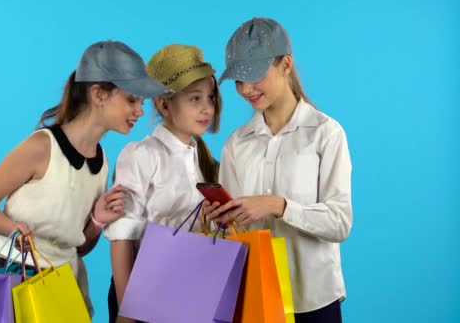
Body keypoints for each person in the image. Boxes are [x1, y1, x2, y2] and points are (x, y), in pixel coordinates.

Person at [0, 40, 169, 317]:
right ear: (98, 94)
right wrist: (12, 227)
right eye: (132, 100)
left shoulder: (100, 162)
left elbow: (79, 247)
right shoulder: (42, 146)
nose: (139, 111)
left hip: (62, 283)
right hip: (16, 278)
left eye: (142, 103)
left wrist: (97, 221)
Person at [206, 17, 352, 323]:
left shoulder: (326, 134)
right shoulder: (237, 143)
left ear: (286, 64)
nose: (246, 89)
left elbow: (340, 223)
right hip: (255, 298)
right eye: (238, 80)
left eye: (254, 75)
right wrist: (220, 217)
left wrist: (278, 206)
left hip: (314, 300)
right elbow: (233, 231)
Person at [105, 44, 222, 323]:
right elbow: (122, 236)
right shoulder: (142, 155)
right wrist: (127, 312)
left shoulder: (204, 161)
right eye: (195, 98)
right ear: (164, 104)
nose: (207, 107)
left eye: (210, 97)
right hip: (142, 290)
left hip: (189, 289)